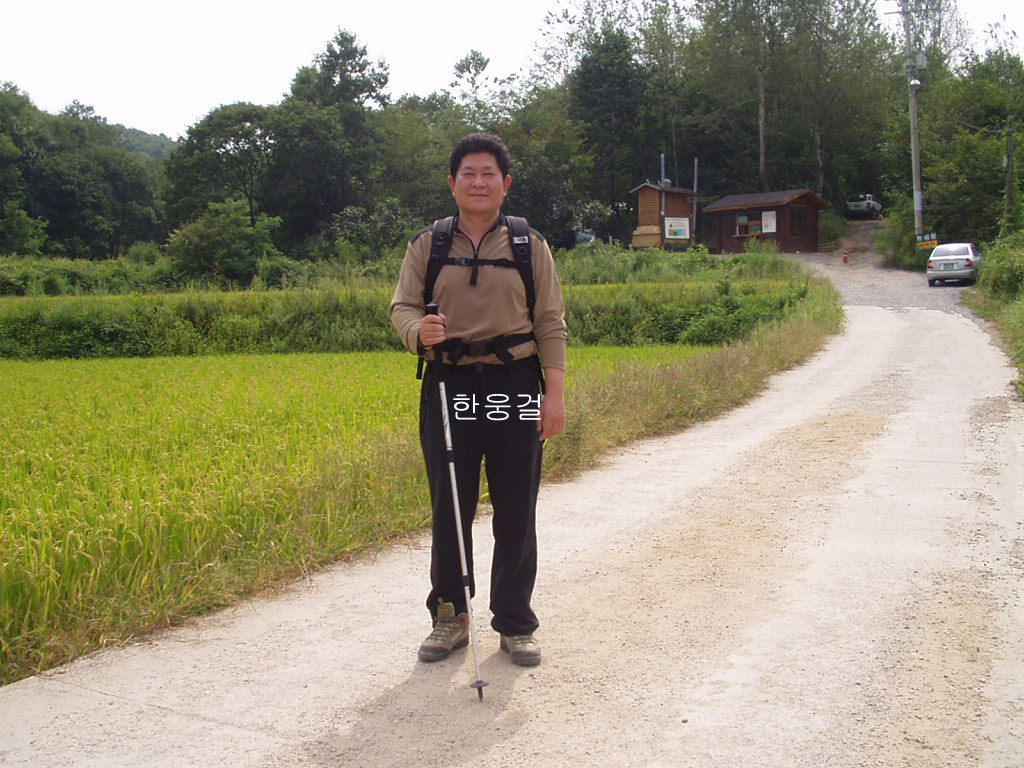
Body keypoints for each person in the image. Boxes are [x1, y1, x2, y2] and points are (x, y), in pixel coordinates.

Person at [390, 133, 567, 667]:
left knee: (516, 506)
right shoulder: (428, 244)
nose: (479, 182)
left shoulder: (528, 245)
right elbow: (402, 307)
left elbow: (550, 322)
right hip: (448, 384)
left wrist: (554, 397)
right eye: (468, 173)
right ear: (452, 182)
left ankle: (515, 623)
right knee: (450, 506)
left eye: (489, 173)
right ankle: (450, 616)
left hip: (515, 385)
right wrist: (419, 331)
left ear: (506, 183)